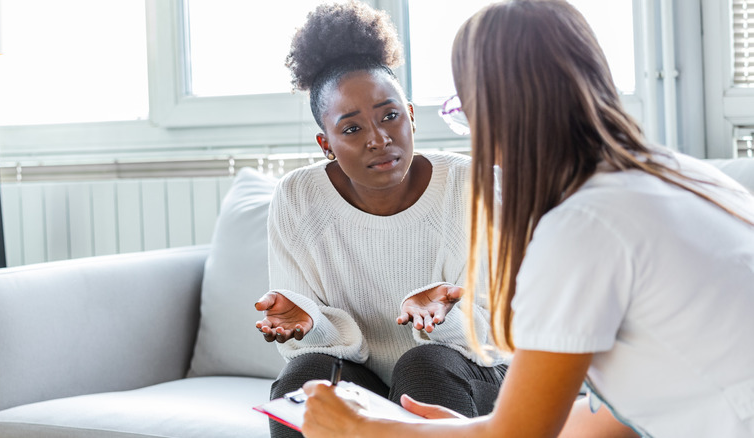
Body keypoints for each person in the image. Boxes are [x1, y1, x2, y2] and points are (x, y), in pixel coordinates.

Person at [299, 0, 754, 437]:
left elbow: (518, 434)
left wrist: (363, 430)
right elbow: (619, 417)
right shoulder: (675, 174)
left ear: (497, 115)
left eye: (468, 112)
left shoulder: (582, 228)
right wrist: (460, 430)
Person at [253, 2, 508, 437]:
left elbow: (498, 336)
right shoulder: (297, 197)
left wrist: (445, 316)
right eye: (351, 129)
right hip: (365, 377)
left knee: (423, 365)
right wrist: (310, 325)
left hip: (473, 372)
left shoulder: (475, 184)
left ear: (410, 115)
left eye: (390, 116)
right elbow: (310, 344)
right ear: (325, 143)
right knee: (306, 380)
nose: (379, 139)